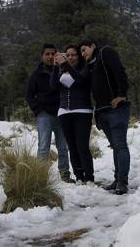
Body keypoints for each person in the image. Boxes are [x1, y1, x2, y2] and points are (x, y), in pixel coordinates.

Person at [80, 39, 130, 195]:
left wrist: (121, 94)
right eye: (81, 52)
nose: (83, 54)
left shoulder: (105, 52)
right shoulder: (90, 65)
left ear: (93, 46)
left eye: (84, 49)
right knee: (115, 146)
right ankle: (117, 179)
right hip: (102, 111)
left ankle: (123, 181)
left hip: (116, 109)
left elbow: (119, 71)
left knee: (120, 145)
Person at [26, 43, 74, 183]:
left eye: (53, 54)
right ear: (42, 56)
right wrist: (38, 109)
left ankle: (65, 173)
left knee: (63, 146)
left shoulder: (61, 71)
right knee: (43, 146)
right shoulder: (36, 75)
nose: (50, 56)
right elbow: (29, 95)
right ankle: (40, 176)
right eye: (47, 54)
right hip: (44, 114)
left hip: (61, 113)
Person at [51, 44, 94, 184]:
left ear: (79, 56)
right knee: (72, 146)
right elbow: (53, 85)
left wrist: (66, 65)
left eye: (73, 55)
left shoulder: (85, 68)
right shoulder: (61, 70)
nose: (70, 57)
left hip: (82, 111)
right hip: (64, 111)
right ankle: (79, 176)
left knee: (82, 146)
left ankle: (89, 177)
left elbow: (80, 80)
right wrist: (55, 66)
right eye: (67, 55)